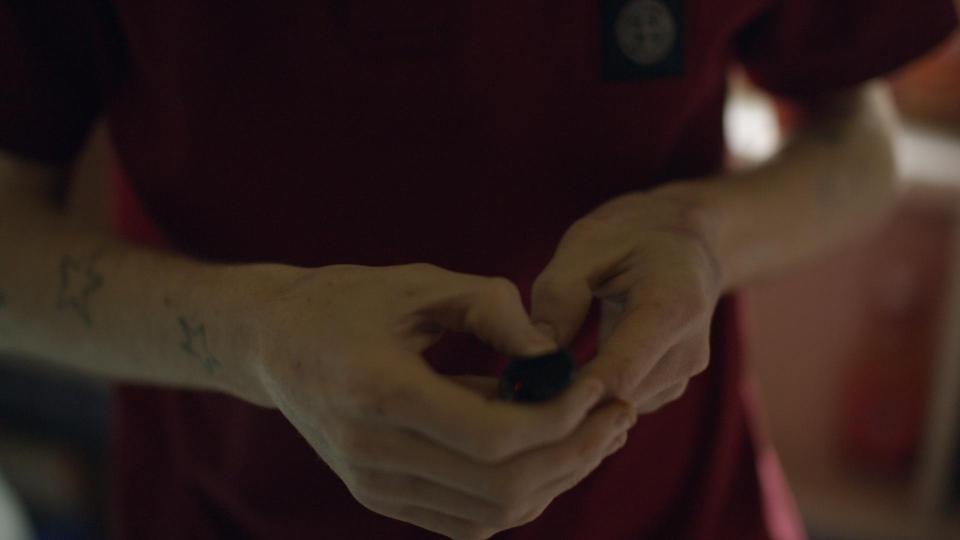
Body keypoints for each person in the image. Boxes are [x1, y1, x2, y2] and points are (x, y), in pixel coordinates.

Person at [0, 1, 956, 539]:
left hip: (681, 515)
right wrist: (256, 338)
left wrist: (708, 236)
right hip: (226, 513)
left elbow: (857, 134)